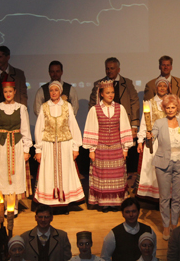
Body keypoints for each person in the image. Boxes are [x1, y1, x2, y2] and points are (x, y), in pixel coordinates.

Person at [146, 94, 180, 240]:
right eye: (168, 107)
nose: (171, 110)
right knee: (165, 197)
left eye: (173, 107)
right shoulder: (159, 123)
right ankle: (166, 226)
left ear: (177, 108)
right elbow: (153, 135)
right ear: (164, 108)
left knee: (177, 197)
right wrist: (149, 137)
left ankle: (175, 225)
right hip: (163, 164)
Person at [83, 80, 133, 212]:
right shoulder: (95, 110)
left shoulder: (120, 108)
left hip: (117, 146)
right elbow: (92, 128)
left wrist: (125, 148)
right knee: (102, 175)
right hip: (101, 147)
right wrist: (92, 149)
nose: (110, 95)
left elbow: (124, 127)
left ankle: (116, 202)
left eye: (112, 92)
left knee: (117, 174)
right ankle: (104, 203)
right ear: (101, 93)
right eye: (107, 92)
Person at [34, 81, 84, 212]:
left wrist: (76, 147)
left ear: (60, 91)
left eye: (56, 90)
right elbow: (39, 128)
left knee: (65, 171)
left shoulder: (67, 106)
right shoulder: (44, 107)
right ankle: (50, 202)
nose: (54, 93)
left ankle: (65, 201)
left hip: (65, 144)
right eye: (51, 90)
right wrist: (38, 149)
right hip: (48, 145)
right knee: (49, 172)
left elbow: (73, 125)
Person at [0, 81, 32, 215]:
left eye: (10, 91)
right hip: (1, 145)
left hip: (16, 145)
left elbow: (25, 129)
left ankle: (14, 205)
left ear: (15, 92)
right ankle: (5, 204)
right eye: (5, 92)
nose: (8, 94)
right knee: (2, 174)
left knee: (16, 173)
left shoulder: (21, 108)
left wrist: (26, 150)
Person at [136, 77, 170, 201]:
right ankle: (153, 196)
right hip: (153, 141)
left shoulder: (172, 102)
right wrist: (140, 140)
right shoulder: (149, 103)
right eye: (160, 86)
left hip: (168, 141)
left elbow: (179, 122)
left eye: (164, 86)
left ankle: (166, 195)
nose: (162, 88)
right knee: (152, 168)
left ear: (167, 88)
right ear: (156, 88)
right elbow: (144, 123)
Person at [89, 57, 140, 133]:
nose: (109, 71)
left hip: (124, 122)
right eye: (107, 68)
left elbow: (134, 103)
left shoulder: (127, 83)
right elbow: (92, 105)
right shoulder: (98, 84)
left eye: (112, 68)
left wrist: (134, 125)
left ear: (118, 70)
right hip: (104, 125)